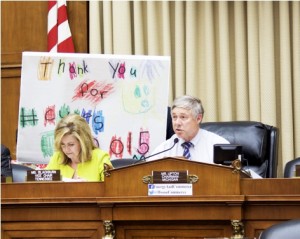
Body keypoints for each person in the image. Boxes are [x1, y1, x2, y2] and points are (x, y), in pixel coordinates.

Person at [146, 95, 229, 163]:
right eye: (174, 117)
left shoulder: (218, 145)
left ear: (198, 118)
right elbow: (146, 171)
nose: (177, 123)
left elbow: (233, 176)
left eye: (183, 117)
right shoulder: (167, 147)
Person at [46, 114, 112, 182]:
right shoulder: (58, 157)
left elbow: (112, 188)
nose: (66, 149)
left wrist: (89, 187)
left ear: (83, 142)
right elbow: (41, 183)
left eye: (71, 144)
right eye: (62, 144)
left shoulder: (100, 158)